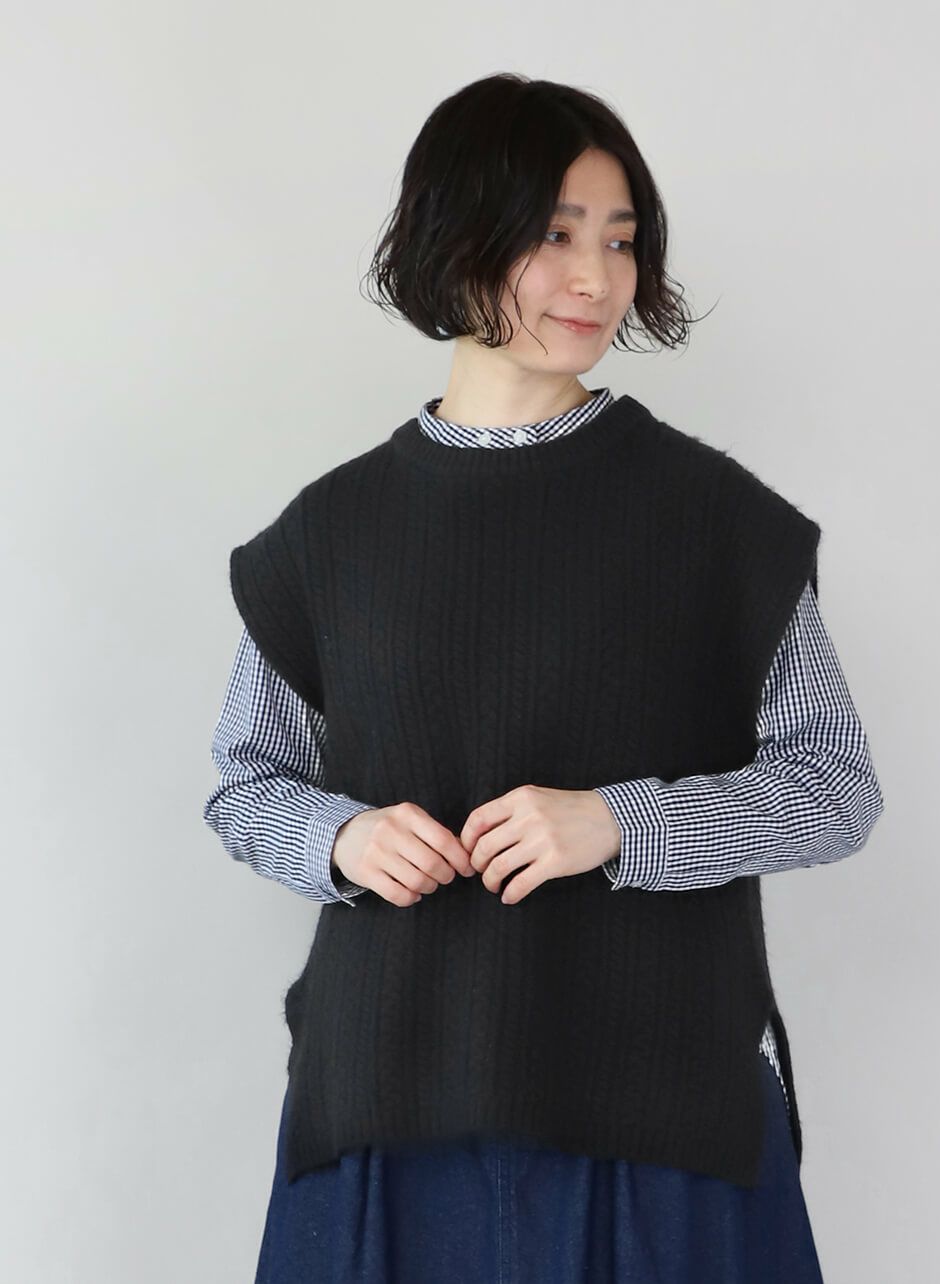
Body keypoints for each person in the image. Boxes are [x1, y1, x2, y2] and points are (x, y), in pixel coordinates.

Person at [203, 73, 884, 1283]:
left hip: (659, 1114)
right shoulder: (329, 533)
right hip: (387, 1112)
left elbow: (834, 787)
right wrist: (341, 839)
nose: (595, 279)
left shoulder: (714, 521)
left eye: (618, 241)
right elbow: (246, 785)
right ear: (451, 236)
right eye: (553, 235)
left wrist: (621, 823)